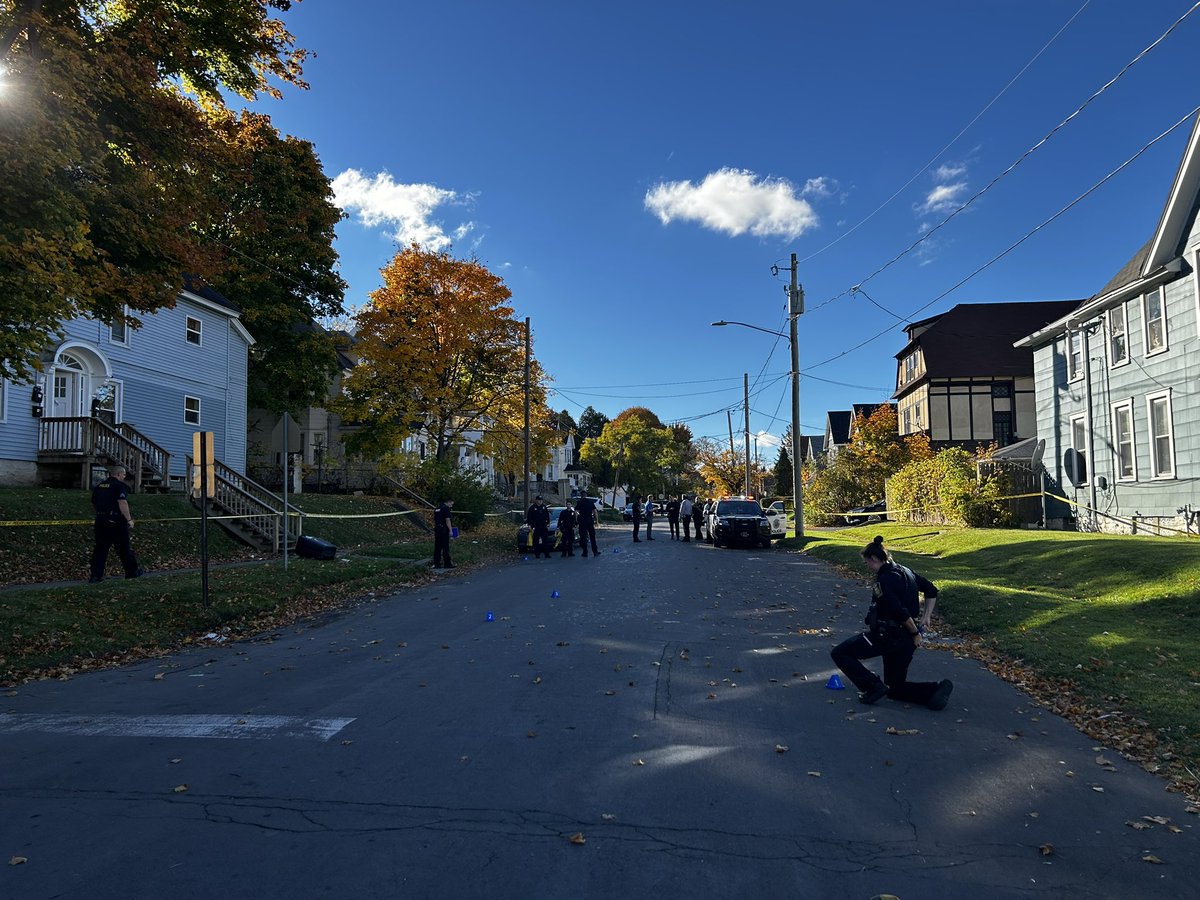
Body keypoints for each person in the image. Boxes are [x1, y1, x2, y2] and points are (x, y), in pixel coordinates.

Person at [831, 535, 952, 710]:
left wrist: (915, 633)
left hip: (887, 635)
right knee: (894, 688)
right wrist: (927, 616)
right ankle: (935, 690)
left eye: (867, 563)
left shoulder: (885, 580)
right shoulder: (906, 571)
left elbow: (898, 611)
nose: (868, 567)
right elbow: (931, 590)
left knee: (840, 653)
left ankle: (872, 686)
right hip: (905, 641)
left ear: (873, 559)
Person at [89, 464, 144, 582]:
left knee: (100, 549)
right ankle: (132, 572)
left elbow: (94, 503)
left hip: (101, 520)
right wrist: (129, 519)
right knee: (124, 549)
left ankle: (95, 576)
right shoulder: (119, 486)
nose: (124, 477)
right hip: (116, 521)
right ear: (118, 474)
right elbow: (122, 502)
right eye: (123, 474)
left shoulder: (99, 486)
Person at [433, 497, 455, 569]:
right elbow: (447, 520)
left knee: (437, 547)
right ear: (448, 501)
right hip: (444, 529)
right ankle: (447, 564)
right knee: (445, 547)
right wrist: (451, 531)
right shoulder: (446, 509)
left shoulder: (437, 508)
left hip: (437, 529)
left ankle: (437, 564)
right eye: (451, 503)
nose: (452, 505)